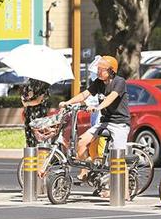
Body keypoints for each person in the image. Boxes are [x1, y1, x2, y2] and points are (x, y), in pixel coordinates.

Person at [59, 56, 130, 184]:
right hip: (105, 122)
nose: (98, 72)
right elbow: (84, 94)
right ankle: (89, 171)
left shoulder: (119, 82)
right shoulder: (98, 82)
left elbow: (111, 98)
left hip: (120, 123)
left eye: (101, 70)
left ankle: (125, 193)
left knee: (118, 159)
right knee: (81, 143)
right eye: (98, 69)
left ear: (111, 71)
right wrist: (67, 102)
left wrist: (97, 107)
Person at [21, 78, 52, 147]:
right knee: (37, 137)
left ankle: (31, 155)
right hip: (36, 115)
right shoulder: (44, 83)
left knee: (33, 137)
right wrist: (29, 100)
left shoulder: (28, 83)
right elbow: (36, 101)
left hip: (34, 115)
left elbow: (27, 101)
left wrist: (28, 101)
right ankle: (35, 155)